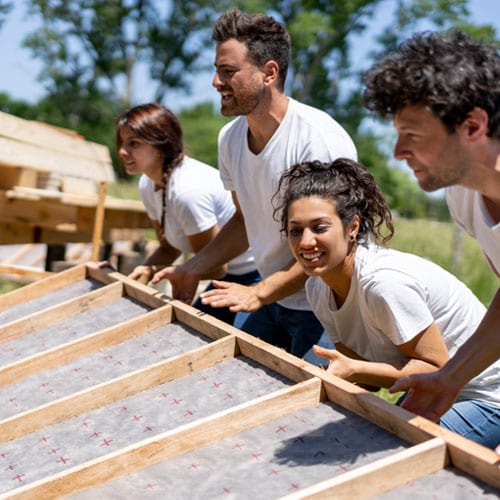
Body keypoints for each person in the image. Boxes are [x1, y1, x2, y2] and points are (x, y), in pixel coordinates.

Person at [151, 8, 357, 360]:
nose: (216, 82)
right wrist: (192, 269)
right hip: (271, 297)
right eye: (217, 71)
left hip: (326, 306)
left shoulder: (317, 141)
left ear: (269, 73)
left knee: (307, 412)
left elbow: (331, 246)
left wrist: (260, 292)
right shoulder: (230, 139)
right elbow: (245, 220)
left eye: (228, 72)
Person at [274, 158, 500, 449]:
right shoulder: (317, 288)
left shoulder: (383, 284)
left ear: (352, 227)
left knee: (398, 453)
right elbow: (362, 370)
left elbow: (436, 369)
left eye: (319, 227)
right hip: (432, 390)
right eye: (295, 230)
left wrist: (353, 372)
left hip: (484, 395)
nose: (306, 242)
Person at [361, 29, 500, 436]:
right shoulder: (463, 194)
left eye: (414, 135)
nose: (398, 152)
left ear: (473, 125)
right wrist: (450, 378)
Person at [116, 102, 260, 325]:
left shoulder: (187, 192)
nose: (122, 152)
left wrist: (158, 270)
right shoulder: (148, 184)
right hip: (224, 275)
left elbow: (215, 266)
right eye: (122, 143)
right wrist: (144, 270)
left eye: (133, 143)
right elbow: (168, 247)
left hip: (253, 276)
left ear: (161, 144)